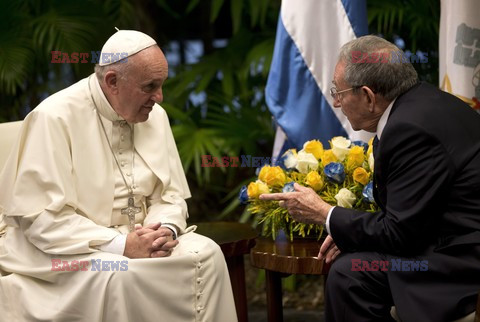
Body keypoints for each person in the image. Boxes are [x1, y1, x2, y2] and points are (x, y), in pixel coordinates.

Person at [0, 30, 237, 322]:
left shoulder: (155, 116)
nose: (159, 97)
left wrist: (163, 231)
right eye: (150, 86)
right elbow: (42, 221)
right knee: (122, 274)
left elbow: (170, 195)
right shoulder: (54, 118)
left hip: (142, 236)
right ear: (112, 81)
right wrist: (122, 245)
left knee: (208, 255)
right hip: (66, 251)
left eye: (161, 85)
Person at [261, 35, 480, 321]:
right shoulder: (423, 103)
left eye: (338, 92)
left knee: (349, 275)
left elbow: (400, 232)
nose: (336, 103)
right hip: (443, 236)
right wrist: (352, 233)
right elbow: (410, 214)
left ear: (367, 96)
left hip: (459, 261)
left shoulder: (410, 130)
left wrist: (325, 213)